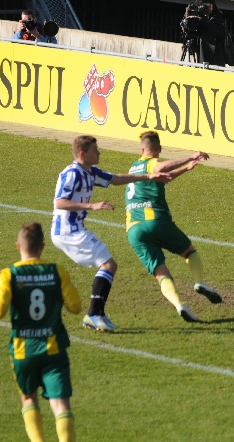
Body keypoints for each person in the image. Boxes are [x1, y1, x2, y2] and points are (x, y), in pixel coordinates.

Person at [52, 135, 172, 332]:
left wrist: (148, 177)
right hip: (67, 231)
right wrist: (92, 205)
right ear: (83, 154)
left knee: (109, 265)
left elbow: (116, 179)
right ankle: (93, 314)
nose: (99, 153)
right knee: (108, 264)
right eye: (95, 150)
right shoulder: (72, 173)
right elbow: (59, 202)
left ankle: (95, 314)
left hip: (74, 229)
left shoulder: (89, 172)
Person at [125, 131, 223, 323]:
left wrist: (186, 169)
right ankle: (199, 283)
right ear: (159, 149)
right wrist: (190, 156)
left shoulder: (133, 168)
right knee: (189, 252)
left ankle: (180, 306)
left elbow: (163, 175)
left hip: (134, 230)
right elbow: (159, 167)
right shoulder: (151, 163)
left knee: (161, 273)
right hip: (156, 221)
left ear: (141, 149)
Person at [0, 222, 82, 442]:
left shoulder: (9, 275)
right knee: (61, 404)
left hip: (23, 352)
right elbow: (75, 308)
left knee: (29, 399)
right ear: (42, 246)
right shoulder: (57, 271)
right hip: (53, 351)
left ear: (18, 245)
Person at [184, 0, 228, 66]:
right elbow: (189, 28)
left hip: (215, 57)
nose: (207, 9)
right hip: (201, 52)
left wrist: (202, 19)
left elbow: (219, 32)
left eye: (207, 6)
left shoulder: (218, 15)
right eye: (203, 7)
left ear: (212, 5)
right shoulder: (196, 13)